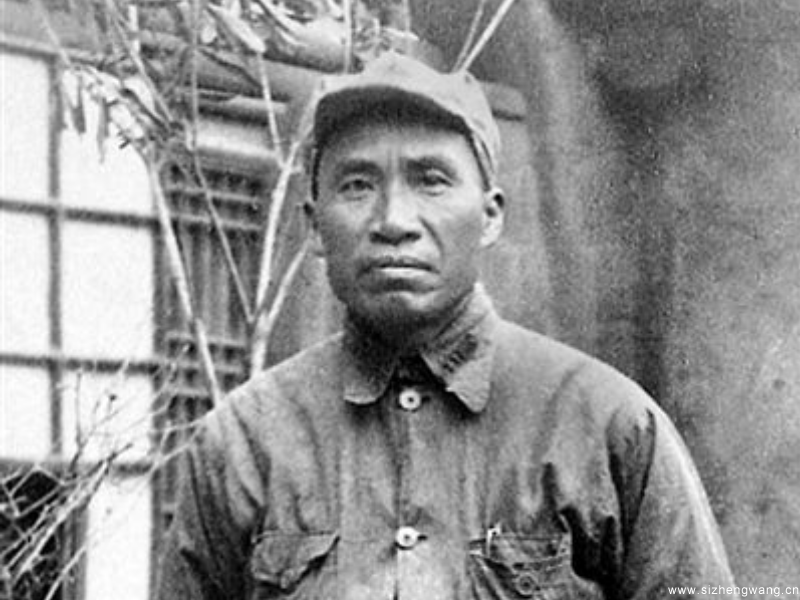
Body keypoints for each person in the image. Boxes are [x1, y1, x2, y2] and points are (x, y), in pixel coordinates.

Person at [156, 52, 737, 599]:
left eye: (431, 180)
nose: (393, 220)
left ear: (490, 216)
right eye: (357, 185)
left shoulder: (611, 426)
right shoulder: (242, 442)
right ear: (313, 225)